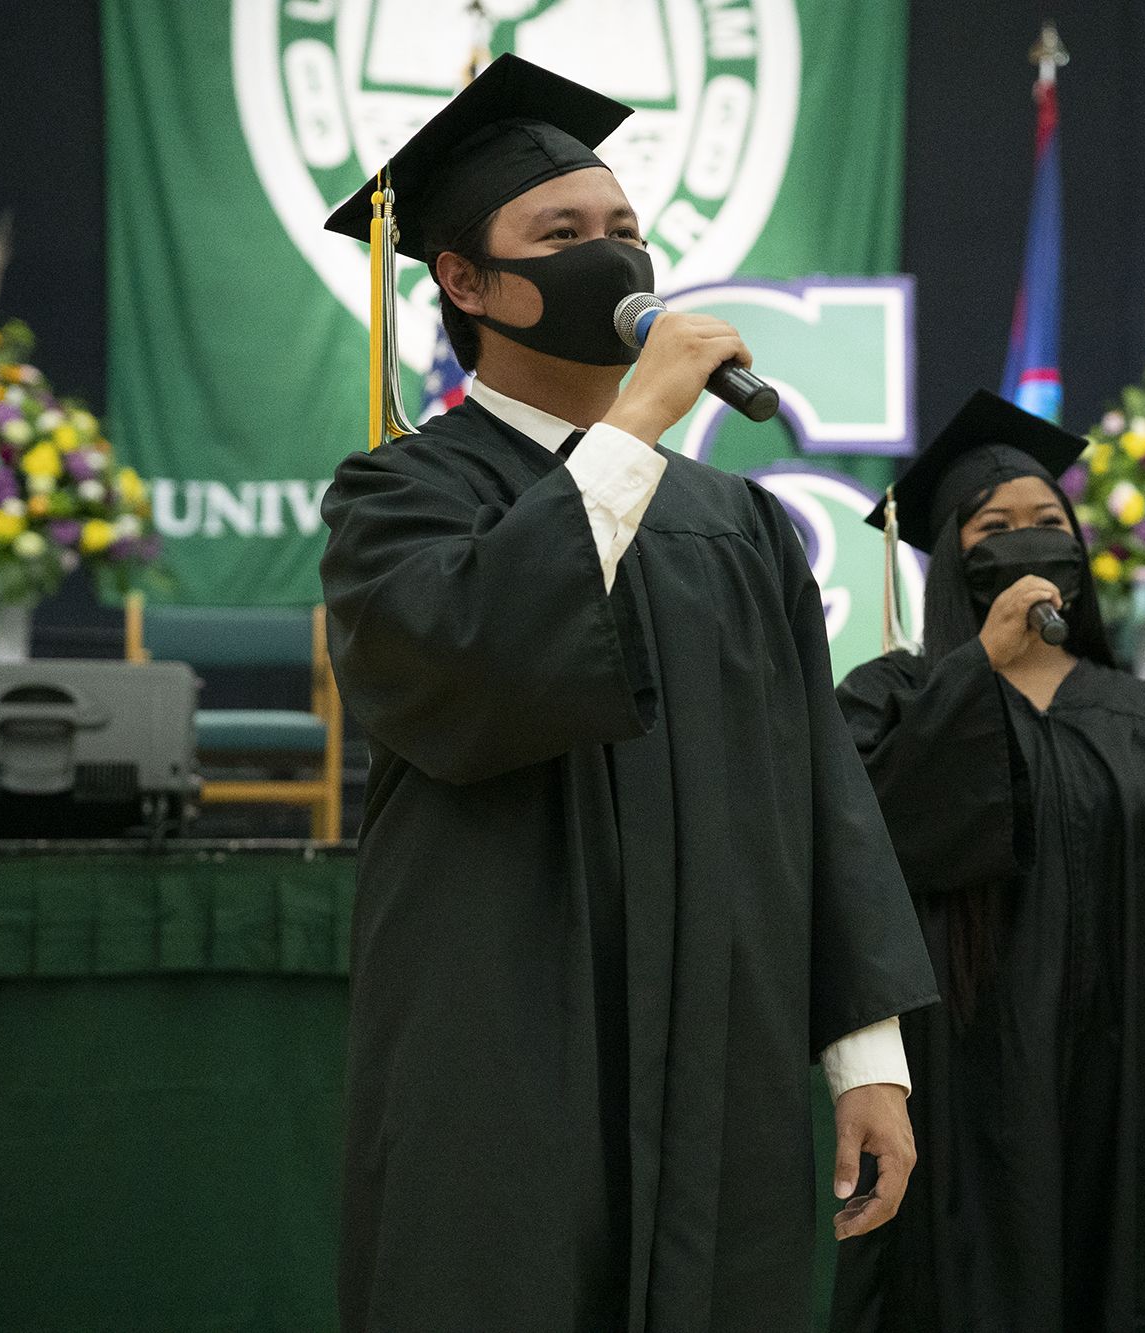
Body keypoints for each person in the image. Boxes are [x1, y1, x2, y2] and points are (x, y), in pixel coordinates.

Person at [316, 55, 937, 1332]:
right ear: (465, 282)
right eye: (562, 236)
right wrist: (633, 428)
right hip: (502, 1028)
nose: (612, 260)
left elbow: (816, 785)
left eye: (625, 232)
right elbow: (471, 670)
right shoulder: (399, 498)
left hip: (721, 1034)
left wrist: (867, 1059)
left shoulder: (737, 523)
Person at [828, 391, 1145, 1333]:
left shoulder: (1142, 716)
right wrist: (978, 662)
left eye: (1047, 522)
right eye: (995, 527)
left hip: (1119, 1069)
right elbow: (876, 843)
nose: (1026, 539)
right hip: (958, 1070)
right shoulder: (891, 694)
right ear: (953, 553)